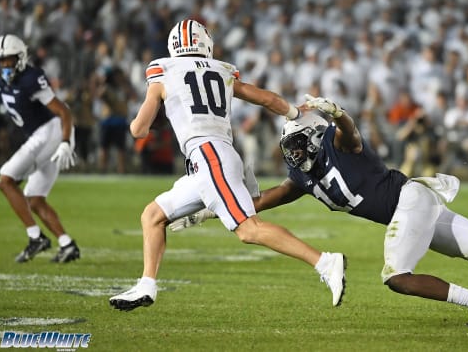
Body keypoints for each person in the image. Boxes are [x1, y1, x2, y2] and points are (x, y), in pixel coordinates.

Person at [170, 95, 468, 327]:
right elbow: (256, 202)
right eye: (291, 145)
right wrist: (207, 211)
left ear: (316, 133)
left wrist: (338, 112)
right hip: (413, 204)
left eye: (300, 141)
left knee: (396, 276)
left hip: (410, 200)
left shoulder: (338, 143)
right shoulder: (302, 179)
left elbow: (350, 130)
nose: (295, 150)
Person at [108, 20, 346, 311]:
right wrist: (296, 112)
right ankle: (146, 285)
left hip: (208, 156)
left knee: (248, 229)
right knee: (153, 215)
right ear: (205, 44)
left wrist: (147, 115)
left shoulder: (163, 71)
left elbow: (138, 130)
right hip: (214, 156)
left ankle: (325, 262)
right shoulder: (222, 71)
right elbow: (266, 98)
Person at [0, 34, 80, 263]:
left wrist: (65, 141)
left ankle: (36, 238)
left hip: (51, 131)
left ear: (21, 58)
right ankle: (67, 244)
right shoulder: (4, 81)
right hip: (40, 135)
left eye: (9, 60)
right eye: (1, 61)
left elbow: (63, 111)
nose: (5, 65)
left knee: (5, 180)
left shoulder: (31, 78)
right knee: (34, 198)